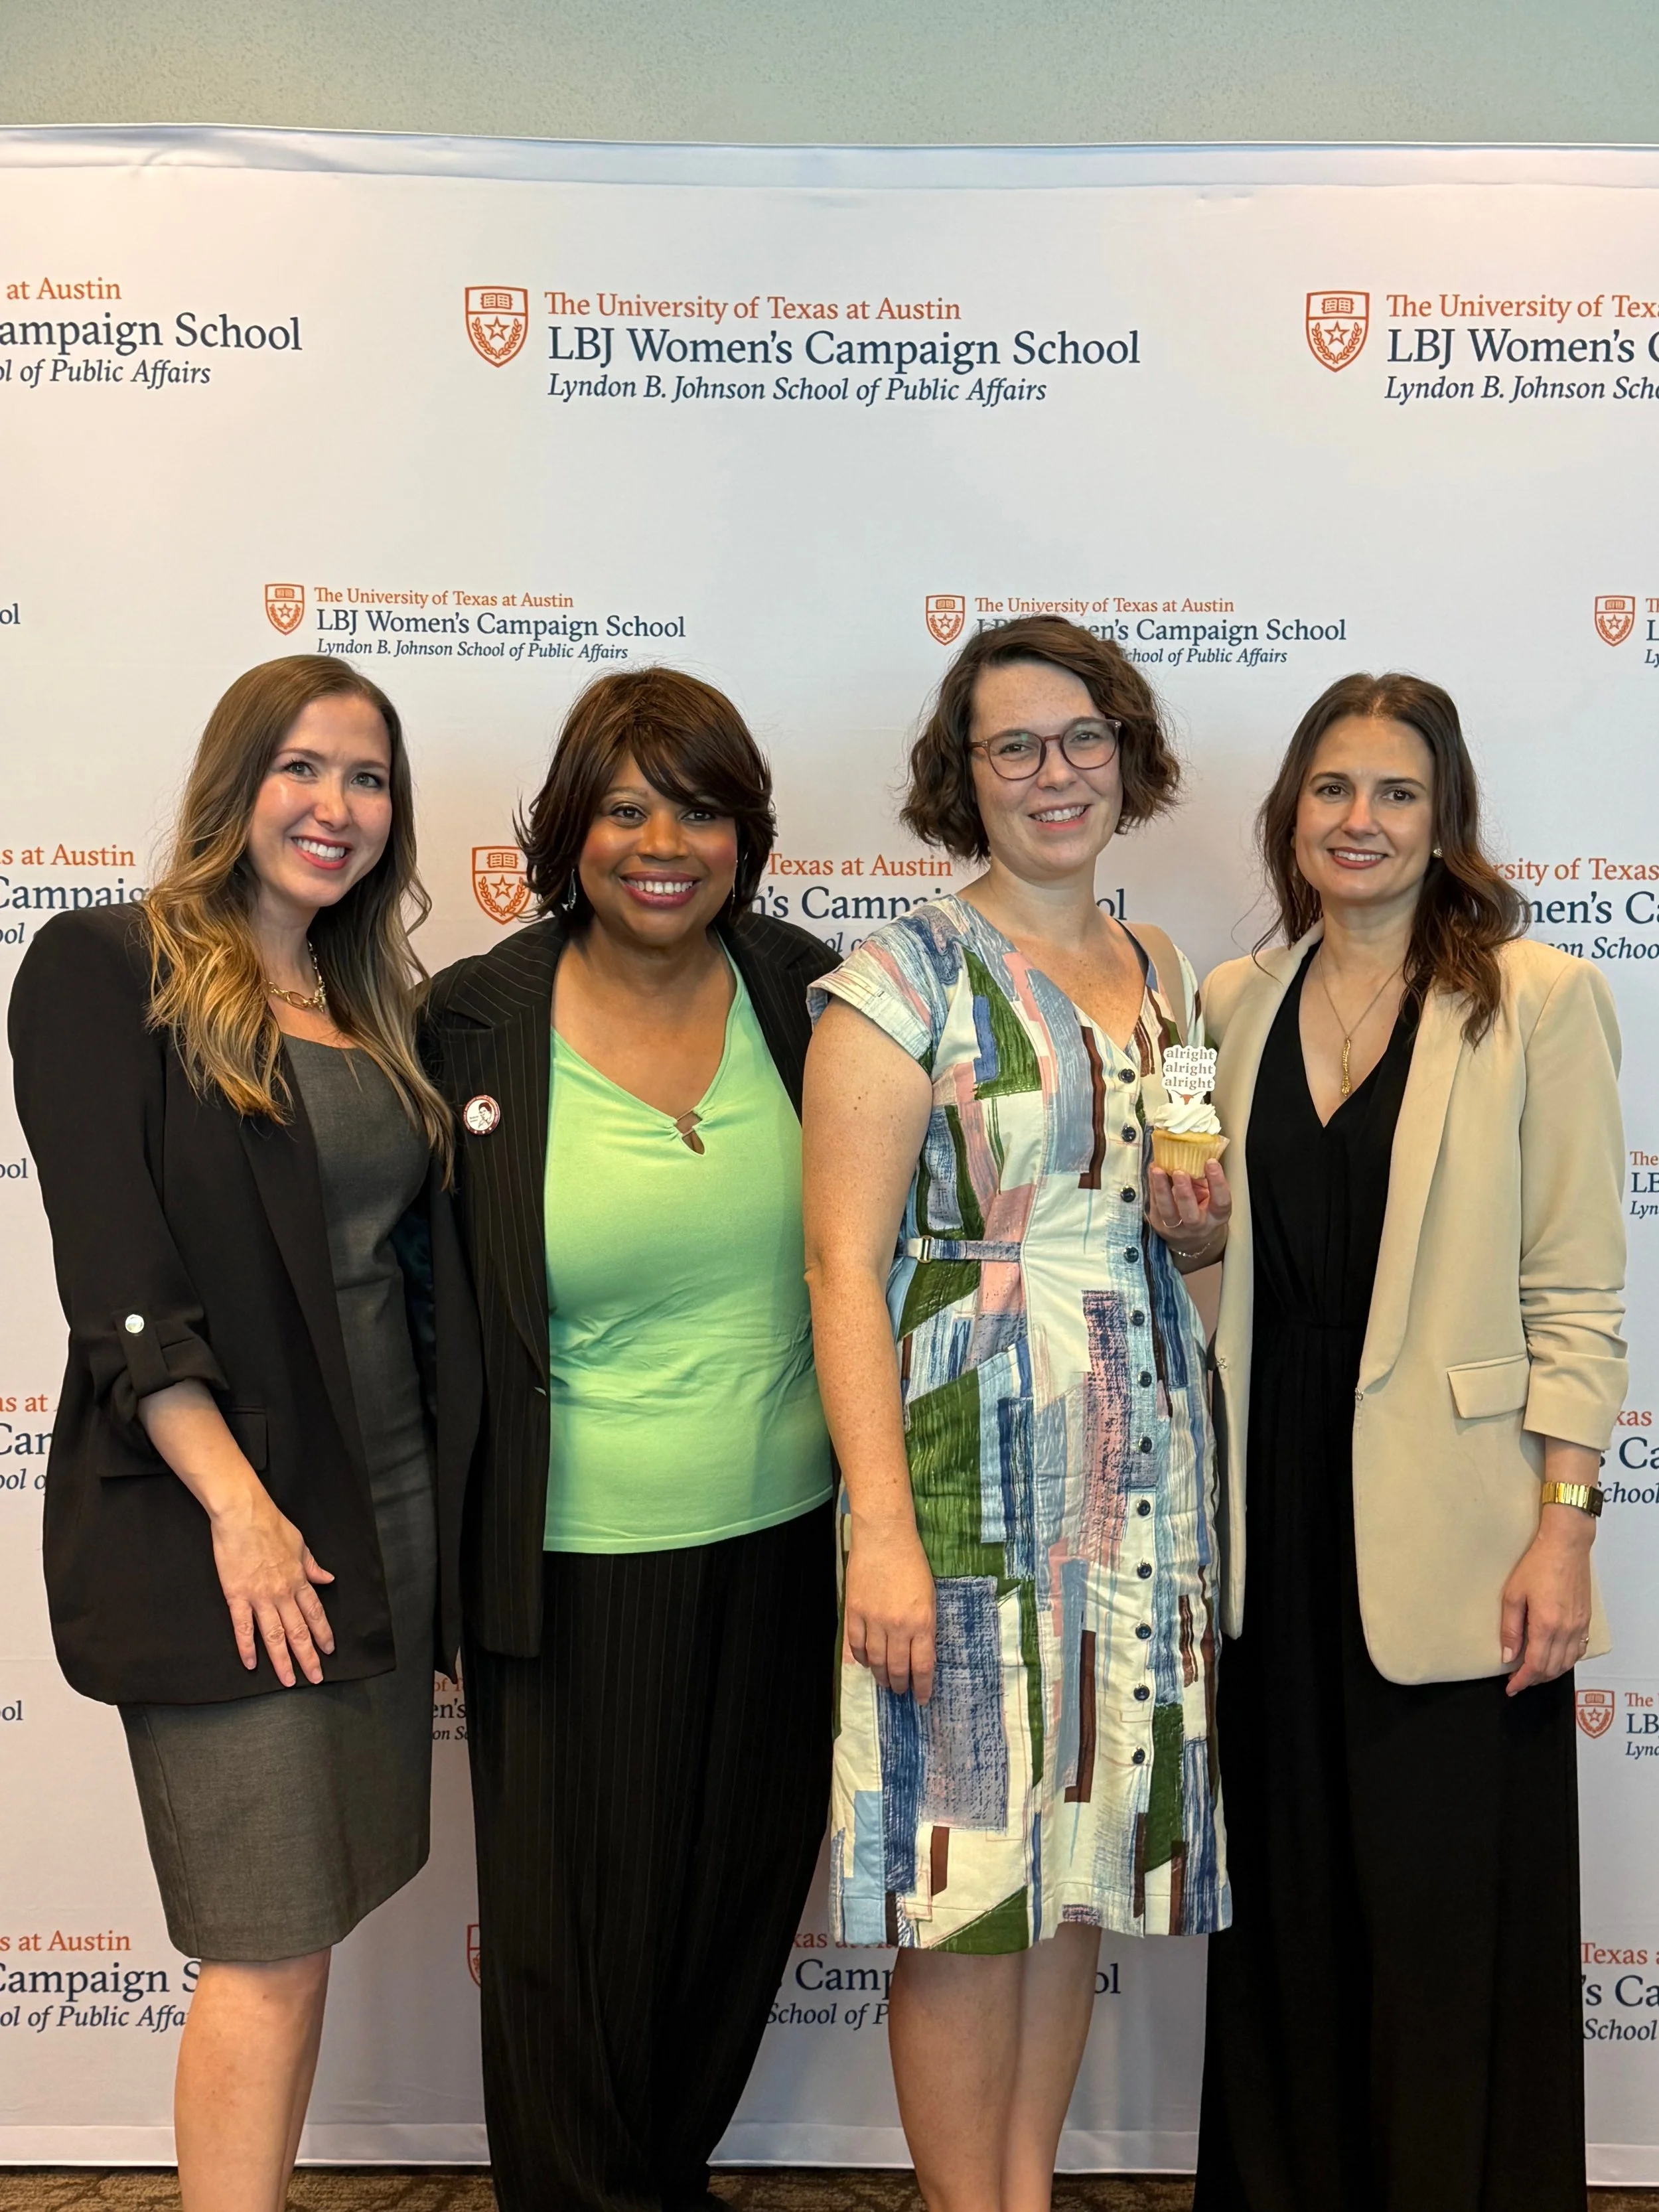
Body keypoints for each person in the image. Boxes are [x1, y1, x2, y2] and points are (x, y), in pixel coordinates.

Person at [9, 656, 478, 2212]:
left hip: (383, 1511)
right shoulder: (104, 967)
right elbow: (119, 1281)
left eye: (366, 778)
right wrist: (240, 1507)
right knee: (262, 1936)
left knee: (308, 1918)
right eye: (300, 767)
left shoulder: (371, 1005)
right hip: (232, 1526)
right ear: (234, 782)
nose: (335, 807)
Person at [802, 615, 1232, 2212]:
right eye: (1012, 747)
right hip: (964, 1478)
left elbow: (1177, 1220)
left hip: (1136, 1485)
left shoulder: (1162, 968)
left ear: (1123, 753)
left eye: (1081, 738)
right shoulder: (895, 979)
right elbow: (842, 1271)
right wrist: (885, 1538)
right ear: (958, 775)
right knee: (965, 1883)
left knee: (1076, 1876)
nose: (1053, 773)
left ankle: (1022, 2194)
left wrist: (1196, 1226)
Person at [1193, 672, 1624, 2211]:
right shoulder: (1229, 1005)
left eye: (1391, 792)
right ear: (1288, 814)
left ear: (1442, 820)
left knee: (1447, 1917)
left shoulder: (1536, 998)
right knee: (1287, 1910)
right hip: (1267, 1511)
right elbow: (1212, 1271)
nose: (1355, 820)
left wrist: (1564, 1519)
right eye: (1329, 788)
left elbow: (1576, 1283)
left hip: (1457, 1525)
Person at [423, 666, 837, 2212]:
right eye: (623, 805)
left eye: (700, 806)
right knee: (563, 1951)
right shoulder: (472, 1021)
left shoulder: (809, 994)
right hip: (565, 1560)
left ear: (745, 833)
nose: (661, 841)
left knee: (729, 1916)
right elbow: (402, 1294)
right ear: (566, 829)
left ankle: (656, 2184)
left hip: (790, 1543)